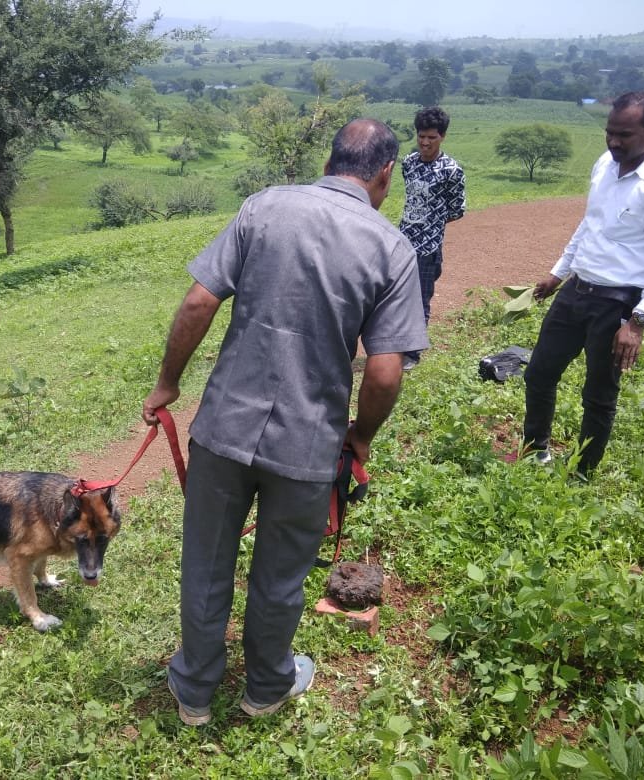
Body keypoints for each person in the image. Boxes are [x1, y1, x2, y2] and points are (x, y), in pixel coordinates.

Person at [142, 119, 428, 726]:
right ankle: (267, 686)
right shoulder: (392, 248)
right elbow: (384, 372)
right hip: (308, 442)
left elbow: (199, 300)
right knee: (280, 574)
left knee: (206, 563)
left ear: (329, 161)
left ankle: (194, 690)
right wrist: (360, 437)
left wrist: (168, 383)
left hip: (224, 428)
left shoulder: (263, 207)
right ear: (386, 173)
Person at [522, 91, 644, 476]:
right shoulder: (605, 163)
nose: (614, 142)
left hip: (619, 302)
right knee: (539, 373)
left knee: (598, 395)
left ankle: (580, 474)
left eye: (624, 135)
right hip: (577, 288)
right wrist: (559, 272)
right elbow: (591, 223)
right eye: (609, 132)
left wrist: (638, 322)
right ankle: (535, 451)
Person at [398, 106, 466, 371]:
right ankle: (395, 343)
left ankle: (412, 352)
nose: (425, 142)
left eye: (432, 137)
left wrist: (431, 222)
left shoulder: (451, 170)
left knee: (420, 297)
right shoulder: (409, 163)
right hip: (403, 241)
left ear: (443, 136)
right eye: (421, 136)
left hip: (428, 246)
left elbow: (457, 210)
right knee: (398, 294)